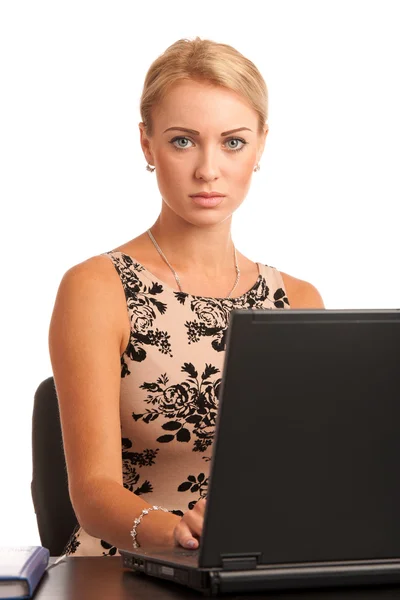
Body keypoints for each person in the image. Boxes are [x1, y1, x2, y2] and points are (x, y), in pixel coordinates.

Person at [49, 36, 324, 558]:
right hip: (123, 571)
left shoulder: (299, 302)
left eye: (233, 142)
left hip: (255, 567)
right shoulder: (96, 288)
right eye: (182, 141)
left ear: (261, 145)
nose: (207, 169)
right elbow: (92, 494)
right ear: (146, 145)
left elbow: (310, 472)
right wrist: (179, 535)